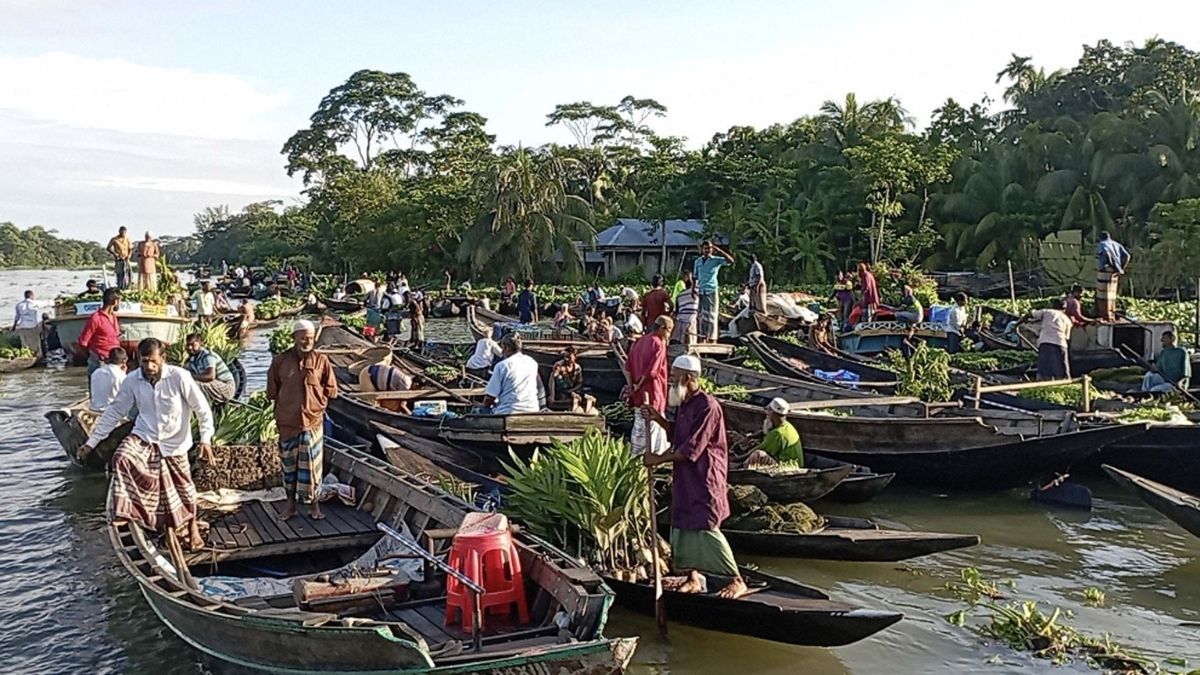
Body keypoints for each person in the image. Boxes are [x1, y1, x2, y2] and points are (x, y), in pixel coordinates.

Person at [80, 338, 215, 550]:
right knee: (122, 458)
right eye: (145, 362)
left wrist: (206, 440)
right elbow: (115, 411)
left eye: (153, 362)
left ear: (163, 359)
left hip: (175, 441)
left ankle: (191, 527)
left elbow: (202, 410)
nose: (149, 367)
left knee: (184, 490)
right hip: (145, 435)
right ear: (138, 361)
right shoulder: (133, 380)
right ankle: (127, 512)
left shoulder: (179, 377)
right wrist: (92, 442)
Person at [640, 354, 747, 600]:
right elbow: (677, 435)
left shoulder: (708, 407)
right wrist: (658, 419)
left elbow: (692, 449)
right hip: (685, 478)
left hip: (704, 476)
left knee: (706, 525)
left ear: (688, 379)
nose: (670, 382)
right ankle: (693, 577)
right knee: (682, 526)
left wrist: (658, 460)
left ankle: (736, 579)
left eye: (675, 378)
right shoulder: (685, 404)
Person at [267, 320, 338, 521]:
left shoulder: (321, 361)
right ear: (294, 338)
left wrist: (318, 398)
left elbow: (332, 389)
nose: (308, 341)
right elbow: (272, 392)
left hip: (313, 422)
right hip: (288, 423)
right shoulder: (280, 361)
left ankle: (314, 506)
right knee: (289, 468)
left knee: (313, 469)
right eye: (303, 338)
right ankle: (290, 506)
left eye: (311, 338)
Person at [625, 315, 673, 456]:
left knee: (639, 423)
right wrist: (639, 385)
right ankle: (653, 456)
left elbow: (627, 367)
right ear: (662, 328)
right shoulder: (659, 343)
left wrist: (632, 387)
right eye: (669, 330)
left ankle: (637, 454)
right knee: (653, 423)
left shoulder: (639, 341)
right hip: (653, 390)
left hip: (638, 392)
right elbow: (652, 371)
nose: (669, 334)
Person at [731, 398, 802, 468]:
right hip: (781, 460)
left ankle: (738, 468)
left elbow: (757, 449)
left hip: (787, 467)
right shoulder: (785, 425)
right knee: (744, 439)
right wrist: (750, 437)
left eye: (768, 410)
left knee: (758, 454)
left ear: (773, 413)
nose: (767, 413)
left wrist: (734, 459)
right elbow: (764, 431)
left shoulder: (777, 433)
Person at [482, 333, 543, 414]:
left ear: (507, 348)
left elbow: (489, 398)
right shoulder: (532, 362)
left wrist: (484, 405)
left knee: (480, 410)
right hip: (532, 409)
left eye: (502, 348)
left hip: (507, 411)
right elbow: (539, 388)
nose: (502, 351)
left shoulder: (502, 366)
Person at [1019, 300, 1073, 380]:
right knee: (1062, 369)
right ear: (1064, 309)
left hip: (1046, 342)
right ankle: (1064, 382)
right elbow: (1067, 338)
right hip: (1061, 344)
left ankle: (1044, 382)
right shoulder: (1067, 320)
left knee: (1045, 368)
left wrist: (1017, 324)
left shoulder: (1047, 312)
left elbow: (1030, 314)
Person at [694, 240, 734, 343]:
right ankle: (702, 337)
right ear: (702, 249)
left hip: (711, 290)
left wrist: (720, 250)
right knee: (702, 316)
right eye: (705, 248)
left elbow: (730, 261)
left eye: (709, 248)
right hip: (701, 291)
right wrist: (693, 289)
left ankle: (712, 339)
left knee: (712, 315)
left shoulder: (716, 260)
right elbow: (695, 277)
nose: (707, 250)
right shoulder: (698, 261)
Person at [79, 288, 122, 379]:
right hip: (99, 362)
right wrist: (94, 355)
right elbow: (83, 342)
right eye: (119, 300)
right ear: (115, 301)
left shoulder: (113, 317)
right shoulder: (96, 318)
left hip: (114, 362)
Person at [184, 333, 237, 404]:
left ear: (201, 344)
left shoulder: (208, 356)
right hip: (213, 385)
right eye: (188, 345)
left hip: (226, 386)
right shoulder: (192, 359)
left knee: (196, 385)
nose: (190, 348)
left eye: (193, 345)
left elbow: (211, 376)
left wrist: (190, 376)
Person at [1096, 231, 1130, 322]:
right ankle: (1112, 316)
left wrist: (1111, 265)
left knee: (1103, 295)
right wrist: (1121, 268)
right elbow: (1127, 256)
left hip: (1105, 270)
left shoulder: (1102, 243)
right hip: (1115, 272)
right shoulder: (1116, 244)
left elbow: (1107, 253)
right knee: (1112, 294)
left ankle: (1106, 317)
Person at [89, 347, 128, 411]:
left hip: (94, 409)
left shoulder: (96, 372)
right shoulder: (121, 376)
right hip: (110, 411)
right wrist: (123, 373)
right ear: (124, 361)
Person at [11, 289, 41, 357]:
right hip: (33, 326)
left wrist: (14, 326)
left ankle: (27, 356)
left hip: (23, 326)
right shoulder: (35, 303)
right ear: (31, 296)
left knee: (25, 343)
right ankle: (37, 355)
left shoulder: (19, 305)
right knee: (35, 342)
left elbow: (17, 317)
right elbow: (47, 303)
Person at [671, 276, 699, 346]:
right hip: (690, 323)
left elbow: (676, 312)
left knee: (677, 344)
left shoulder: (680, 295)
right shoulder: (695, 294)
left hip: (679, 323)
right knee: (690, 345)